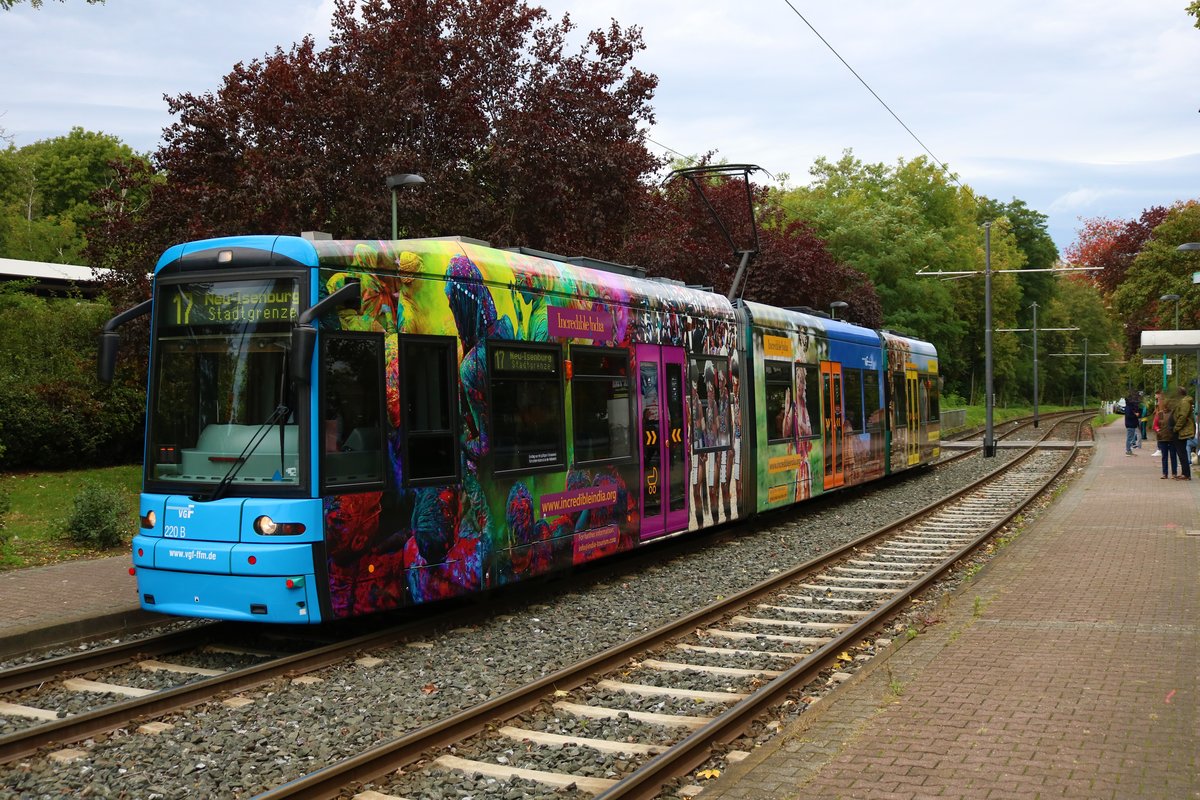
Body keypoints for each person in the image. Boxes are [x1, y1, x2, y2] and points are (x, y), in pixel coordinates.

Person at [1170, 386, 1194, 480]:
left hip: (1180, 431)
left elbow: (1182, 417)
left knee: (1182, 452)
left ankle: (1186, 474)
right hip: (1179, 430)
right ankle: (1184, 473)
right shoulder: (1183, 402)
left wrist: (1176, 428)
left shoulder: (1184, 402)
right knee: (1181, 452)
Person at [1154, 399, 1178, 479]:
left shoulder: (1173, 414)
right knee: (1164, 456)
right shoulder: (1160, 414)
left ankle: (1174, 473)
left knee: (1173, 456)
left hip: (1172, 438)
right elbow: (1155, 425)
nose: (1166, 408)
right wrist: (1158, 430)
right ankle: (1165, 473)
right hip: (1162, 438)